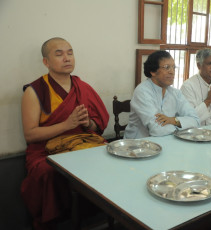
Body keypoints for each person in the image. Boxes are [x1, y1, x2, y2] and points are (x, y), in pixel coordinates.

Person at [21, 37, 109, 230]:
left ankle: (103, 212)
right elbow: (30, 135)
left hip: (82, 143)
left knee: (110, 156)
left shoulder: (82, 87)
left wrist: (87, 123)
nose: (67, 58)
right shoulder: (35, 91)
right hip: (46, 150)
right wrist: (67, 124)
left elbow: (98, 125)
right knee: (48, 172)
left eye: (70, 52)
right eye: (59, 54)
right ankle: (56, 222)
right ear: (46, 62)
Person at [124, 50, 200, 139]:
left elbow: (196, 120)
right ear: (153, 71)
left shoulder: (176, 93)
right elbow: (157, 130)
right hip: (137, 145)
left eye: (173, 67)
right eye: (167, 67)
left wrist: (173, 120)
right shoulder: (142, 91)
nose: (172, 72)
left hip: (167, 141)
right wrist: (181, 125)